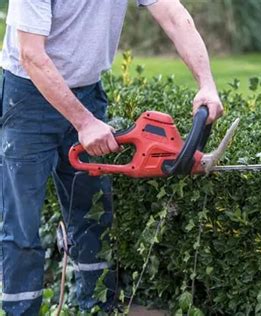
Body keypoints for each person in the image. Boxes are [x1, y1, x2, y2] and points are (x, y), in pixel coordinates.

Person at [0, 0, 224, 314]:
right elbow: (31, 55)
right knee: (21, 223)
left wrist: (207, 84)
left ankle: (96, 308)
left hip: (87, 91)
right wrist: (84, 122)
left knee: (92, 215)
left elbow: (174, 16)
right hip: (28, 96)